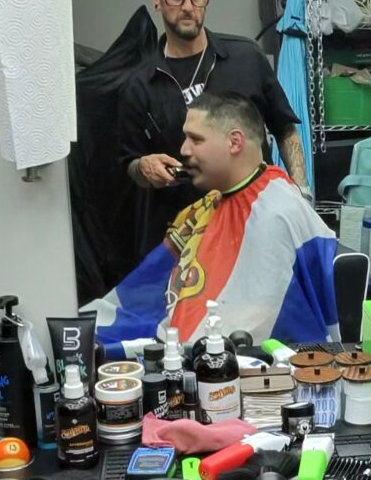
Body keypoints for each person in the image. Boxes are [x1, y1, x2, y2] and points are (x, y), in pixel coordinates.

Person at [91, 90, 337, 347]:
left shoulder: (275, 213)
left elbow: (251, 322)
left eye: (196, 139)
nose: (184, 149)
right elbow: (151, 283)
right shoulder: (214, 202)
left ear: (234, 142)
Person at [116, 0, 308, 257]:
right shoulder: (138, 84)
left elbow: (285, 129)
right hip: (186, 243)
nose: (188, 7)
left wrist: (302, 194)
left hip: (257, 231)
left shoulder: (246, 58)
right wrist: (143, 167)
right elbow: (129, 163)